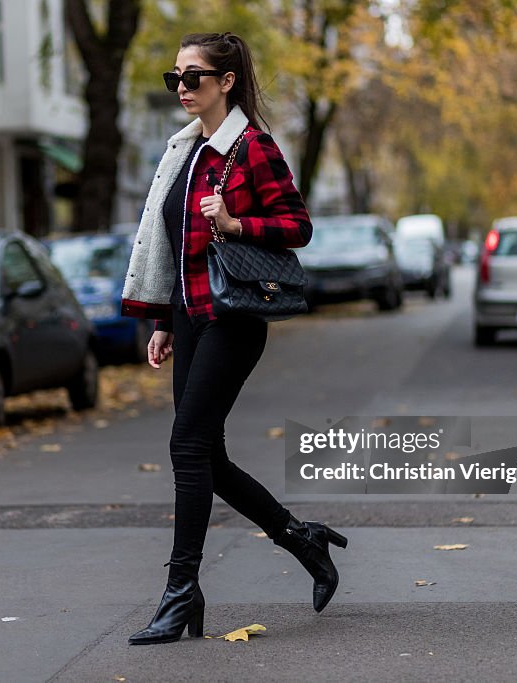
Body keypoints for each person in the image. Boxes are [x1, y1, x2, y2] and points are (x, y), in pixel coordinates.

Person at [120, 31, 348, 646]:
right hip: (192, 315)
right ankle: (302, 539)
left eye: (192, 77)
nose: (182, 89)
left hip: (235, 318)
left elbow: (297, 226)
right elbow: (175, 245)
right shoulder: (187, 152)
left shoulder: (252, 147)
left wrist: (236, 221)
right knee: (205, 456)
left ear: (226, 82)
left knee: (187, 446)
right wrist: (165, 321)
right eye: (175, 78)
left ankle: (180, 591)